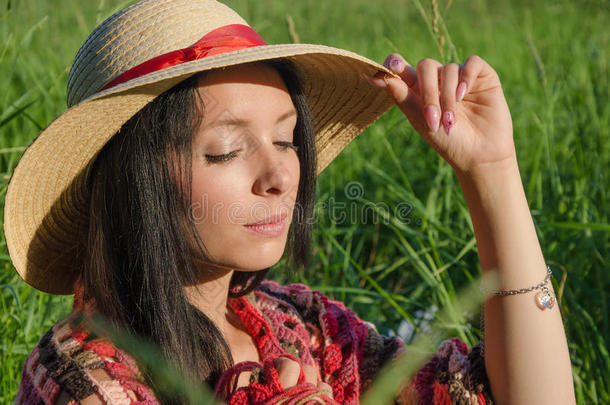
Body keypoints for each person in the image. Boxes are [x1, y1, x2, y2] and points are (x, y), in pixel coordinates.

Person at [5, 0, 576, 404]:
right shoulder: (83, 381)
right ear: (135, 181)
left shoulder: (295, 323)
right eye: (227, 150)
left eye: (286, 139)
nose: (280, 173)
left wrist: (491, 174)